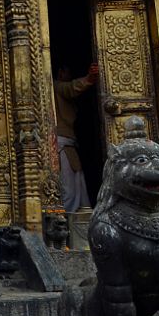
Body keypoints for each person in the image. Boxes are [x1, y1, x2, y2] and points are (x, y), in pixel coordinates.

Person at [54, 62, 99, 212]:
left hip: (65, 143)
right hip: (62, 144)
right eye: (68, 72)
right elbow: (70, 88)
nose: (70, 76)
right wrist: (88, 79)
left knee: (74, 184)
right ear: (60, 72)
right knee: (69, 188)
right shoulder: (56, 86)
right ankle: (66, 217)